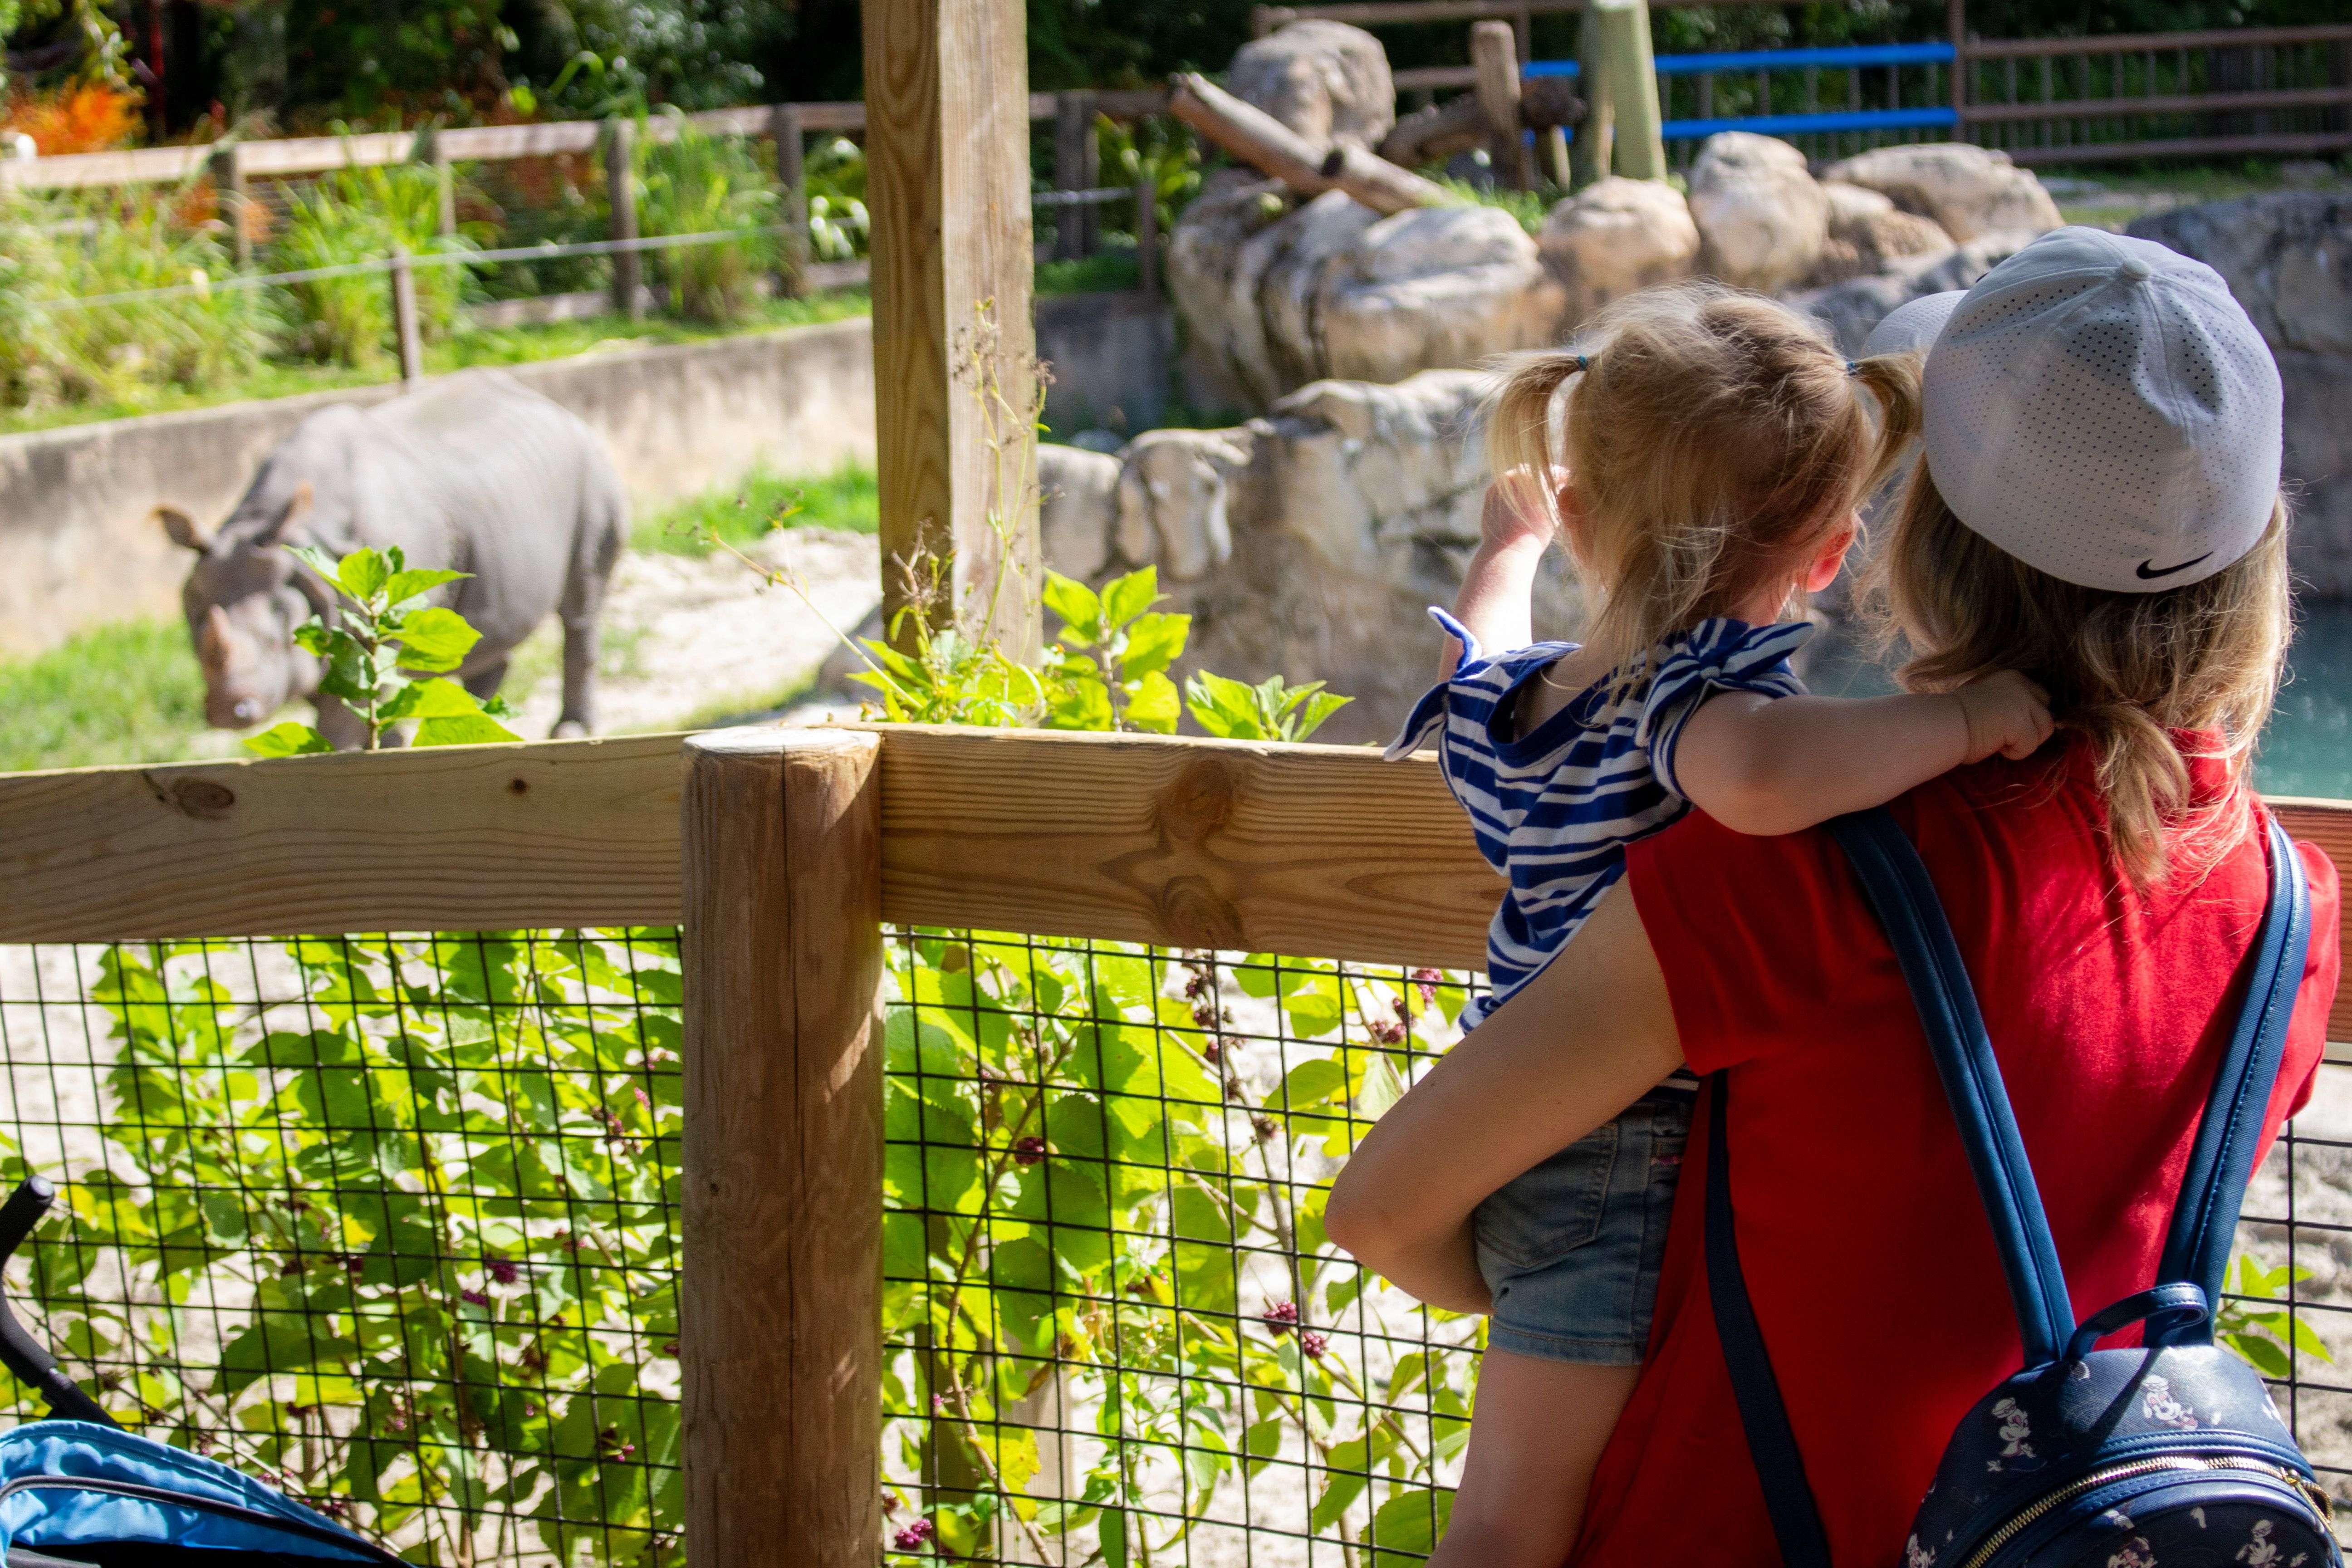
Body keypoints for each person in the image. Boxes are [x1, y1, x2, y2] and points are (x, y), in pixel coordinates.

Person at [1326, 226, 2342, 1566]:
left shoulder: (1805, 877)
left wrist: (1532, 1290)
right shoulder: (2288, 911)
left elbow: (1382, 1206)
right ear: (2254, 554)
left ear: (1930, 538)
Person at [1378, 282, 2054, 1567]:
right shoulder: (1697, 693)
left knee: (1540, 1490)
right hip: (1615, 1152)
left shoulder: (1515, 710)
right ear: (1828, 551)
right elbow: (1752, 774)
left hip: (1524, 1115)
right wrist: (1964, 724)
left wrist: (1512, 546)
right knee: (1515, 1520)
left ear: (1584, 517)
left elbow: (1479, 649)